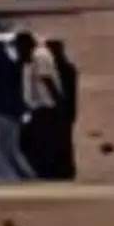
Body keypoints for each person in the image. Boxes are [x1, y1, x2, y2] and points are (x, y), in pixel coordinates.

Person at [0, 31, 34, 182]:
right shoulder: (15, 67)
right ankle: (26, 175)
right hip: (13, 111)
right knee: (11, 147)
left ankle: (7, 176)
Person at [17, 31, 63, 180]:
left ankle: (48, 172)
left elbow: (47, 79)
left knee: (45, 142)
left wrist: (59, 103)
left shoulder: (40, 55)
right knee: (41, 142)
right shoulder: (32, 58)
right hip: (39, 107)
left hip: (46, 107)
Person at [45, 39, 80, 180]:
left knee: (60, 141)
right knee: (64, 140)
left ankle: (62, 170)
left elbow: (61, 90)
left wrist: (58, 101)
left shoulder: (60, 68)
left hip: (62, 110)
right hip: (68, 109)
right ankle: (65, 169)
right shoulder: (69, 68)